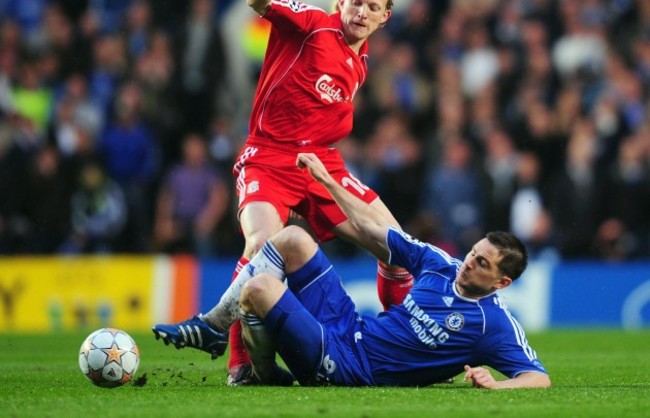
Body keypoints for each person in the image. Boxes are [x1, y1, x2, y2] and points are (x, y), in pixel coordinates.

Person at [152, 0, 414, 385]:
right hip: (268, 156)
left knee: (398, 250)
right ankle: (243, 365)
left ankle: (402, 341)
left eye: (372, 7)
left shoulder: (362, 59)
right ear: (340, 1)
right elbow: (258, 0)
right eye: (355, 2)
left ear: (384, 17)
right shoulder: (313, 24)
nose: (361, 13)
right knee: (261, 247)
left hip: (322, 165)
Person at [154, 152, 551, 388]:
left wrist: (495, 384)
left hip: (350, 366)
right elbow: (369, 230)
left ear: (502, 282)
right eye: (473, 252)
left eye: (481, 263)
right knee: (292, 238)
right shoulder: (439, 264)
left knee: (259, 289)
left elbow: (539, 377)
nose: (468, 262)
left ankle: (260, 370)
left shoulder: (493, 325)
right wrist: (326, 181)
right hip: (351, 326)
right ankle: (215, 328)